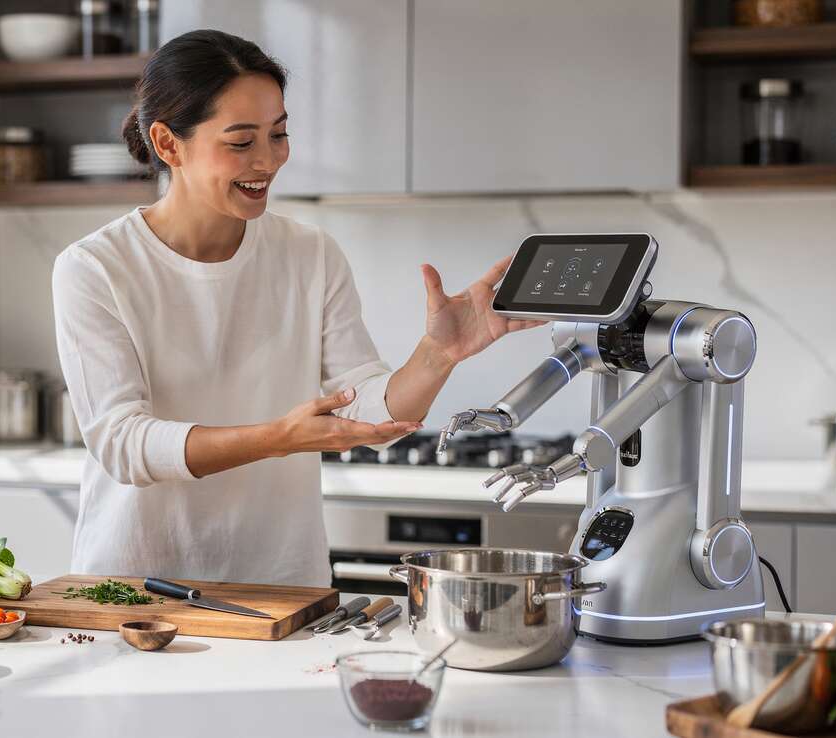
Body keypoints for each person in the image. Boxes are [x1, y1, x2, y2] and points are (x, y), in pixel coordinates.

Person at [52, 30, 540, 586]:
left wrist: (438, 354)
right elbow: (123, 444)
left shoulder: (309, 253)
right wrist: (278, 437)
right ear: (168, 144)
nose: (268, 160)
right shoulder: (95, 267)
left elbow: (366, 409)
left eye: (279, 134)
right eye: (241, 142)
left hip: (280, 586)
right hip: (139, 593)